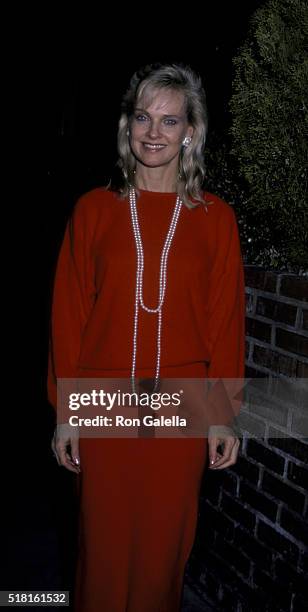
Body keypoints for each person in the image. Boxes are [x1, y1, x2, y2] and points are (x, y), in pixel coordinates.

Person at [48, 63, 245, 612]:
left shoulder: (215, 219)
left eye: (169, 119)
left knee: (164, 554)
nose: (153, 132)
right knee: (102, 555)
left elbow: (225, 320)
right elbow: (68, 317)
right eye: (143, 117)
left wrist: (223, 412)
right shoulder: (92, 211)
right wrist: (66, 412)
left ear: (191, 132)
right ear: (126, 125)